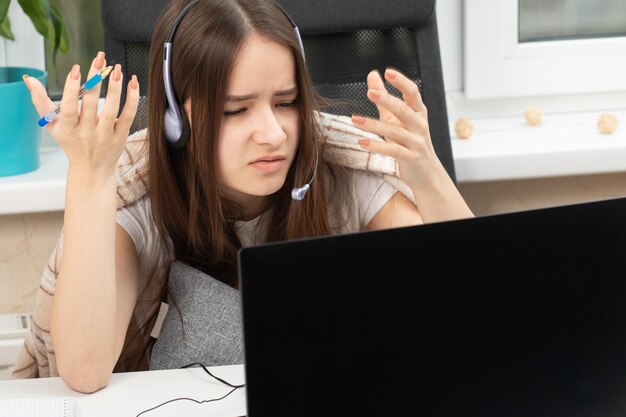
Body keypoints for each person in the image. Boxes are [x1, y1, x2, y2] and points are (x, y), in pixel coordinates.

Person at [18, 0, 473, 393]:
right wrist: (91, 175)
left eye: (287, 102)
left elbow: (468, 303)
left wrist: (426, 172)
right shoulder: (141, 202)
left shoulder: (343, 173)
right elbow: (84, 369)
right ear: (176, 116)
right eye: (236, 110)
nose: (274, 134)